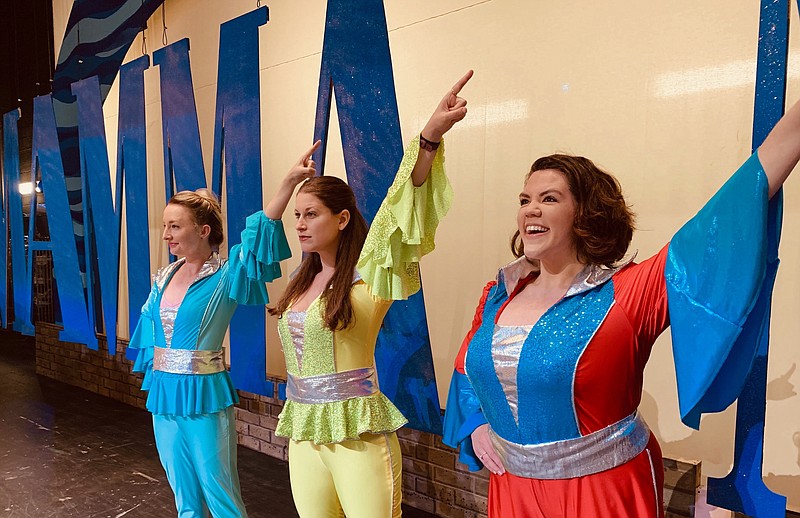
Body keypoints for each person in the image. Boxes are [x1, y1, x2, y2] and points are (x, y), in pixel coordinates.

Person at [442, 94, 799, 516]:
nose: (530, 210)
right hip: (513, 492)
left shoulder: (629, 294)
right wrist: (477, 422)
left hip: (602, 494)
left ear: (584, 214)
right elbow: (470, 367)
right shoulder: (500, 293)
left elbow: (722, 222)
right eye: (525, 200)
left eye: (549, 198)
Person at [264, 71, 473, 518]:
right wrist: (285, 188)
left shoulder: (369, 276)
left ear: (341, 219)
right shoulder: (300, 282)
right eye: (296, 215)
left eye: (311, 214)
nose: (299, 224)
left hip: (358, 434)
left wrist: (429, 138)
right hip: (304, 433)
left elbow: (401, 208)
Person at [128, 188, 291, 517]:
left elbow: (259, 238)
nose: (166, 235)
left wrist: (287, 185)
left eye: (174, 226)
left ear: (203, 231)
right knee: (183, 496)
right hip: (163, 396)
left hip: (204, 396)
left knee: (220, 492)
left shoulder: (227, 275)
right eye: (165, 226)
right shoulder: (162, 277)